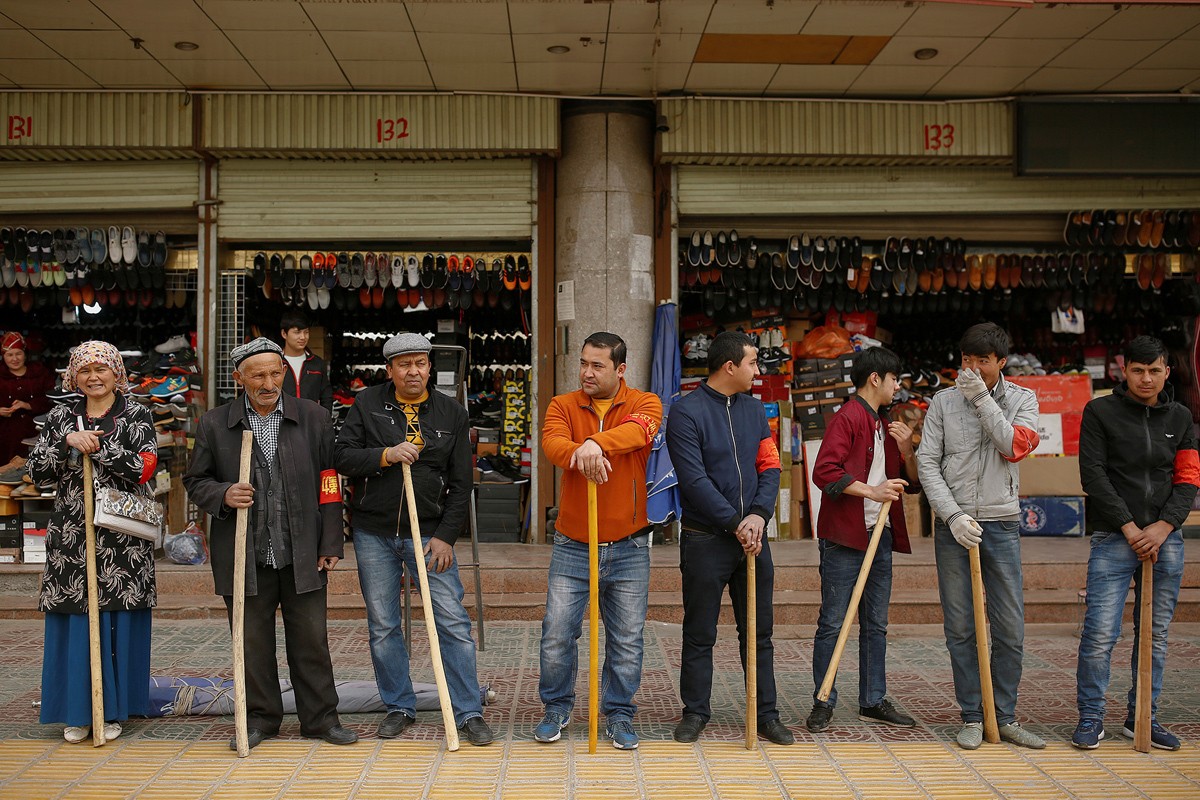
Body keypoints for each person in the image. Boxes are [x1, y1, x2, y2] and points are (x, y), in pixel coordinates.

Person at [183, 337, 356, 750]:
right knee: (252, 641)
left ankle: (320, 719)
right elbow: (195, 481)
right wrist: (223, 494)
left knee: (311, 639)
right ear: (238, 377)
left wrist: (331, 539)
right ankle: (261, 719)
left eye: (275, 373)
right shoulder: (215, 424)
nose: (268, 382)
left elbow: (329, 483)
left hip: (303, 551)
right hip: (244, 553)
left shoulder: (313, 417)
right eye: (257, 374)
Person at [333, 332, 494, 746]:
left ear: (429, 367)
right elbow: (342, 457)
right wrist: (385, 455)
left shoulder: (451, 413)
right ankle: (399, 705)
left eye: (421, 363)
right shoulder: (367, 404)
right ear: (389, 370)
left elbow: (461, 485)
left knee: (452, 622)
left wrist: (446, 538)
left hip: (430, 535)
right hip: (375, 533)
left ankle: (468, 711)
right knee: (384, 625)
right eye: (404, 364)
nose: (414, 371)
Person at [917, 322, 1045, 751]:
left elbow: (1015, 446)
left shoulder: (1023, 399)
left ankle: (1003, 715)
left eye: (981, 361)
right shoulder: (941, 402)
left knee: (1009, 626)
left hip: (1002, 523)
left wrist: (981, 399)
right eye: (965, 360)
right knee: (961, 626)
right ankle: (973, 714)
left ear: (1001, 363)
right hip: (954, 527)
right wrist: (951, 515)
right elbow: (927, 464)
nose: (970, 368)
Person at [665, 330, 793, 745]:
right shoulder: (685, 412)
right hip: (706, 539)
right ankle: (695, 712)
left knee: (759, 633)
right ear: (729, 366)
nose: (758, 370)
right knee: (699, 631)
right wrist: (738, 523)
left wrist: (758, 515)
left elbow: (770, 466)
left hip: (754, 537)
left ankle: (766, 714)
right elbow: (693, 480)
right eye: (753, 363)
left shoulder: (755, 411)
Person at [27, 341, 157, 742]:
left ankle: (111, 710)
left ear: (117, 373)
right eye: (85, 370)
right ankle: (77, 712)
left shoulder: (137, 414)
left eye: (102, 368)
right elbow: (36, 472)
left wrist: (98, 446)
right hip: (72, 537)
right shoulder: (60, 417)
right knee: (76, 618)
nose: (94, 376)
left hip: (123, 540)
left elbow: (143, 468)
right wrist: (66, 444)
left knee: (116, 618)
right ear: (74, 377)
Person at [537, 332, 662, 750]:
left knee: (627, 637)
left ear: (620, 369)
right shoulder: (563, 405)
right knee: (557, 633)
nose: (587, 373)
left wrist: (594, 442)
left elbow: (639, 434)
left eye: (598, 366)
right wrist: (578, 452)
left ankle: (620, 713)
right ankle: (555, 708)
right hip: (573, 542)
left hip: (629, 545)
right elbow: (553, 444)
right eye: (584, 364)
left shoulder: (646, 403)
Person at [1073, 335, 1199, 751]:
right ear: (1123, 371)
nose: (1147, 379)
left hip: (1167, 540)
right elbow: (1094, 477)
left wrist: (1164, 526)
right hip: (1114, 537)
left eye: (1155, 371)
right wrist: (1130, 528)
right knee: (1099, 635)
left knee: (1156, 635)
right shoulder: (1100, 412)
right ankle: (1091, 718)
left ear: (1168, 372)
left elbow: (1188, 479)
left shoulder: (1180, 418)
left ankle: (1143, 716)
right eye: (1138, 370)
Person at [807, 346, 920, 733]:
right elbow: (824, 472)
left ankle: (873, 699)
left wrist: (906, 451)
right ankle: (823, 699)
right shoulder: (848, 417)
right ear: (876, 379)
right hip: (845, 538)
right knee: (834, 623)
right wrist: (871, 492)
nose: (897, 387)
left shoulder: (886, 423)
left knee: (876, 623)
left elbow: (912, 484)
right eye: (894, 380)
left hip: (880, 535)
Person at [0, 331, 53, 464]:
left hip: (35, 431)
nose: (14, 359)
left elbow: (52, 398)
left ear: (25, 354)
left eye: (18, 353)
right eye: (9, 355)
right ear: (3, 356)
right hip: (5, 435)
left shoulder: (40, 373)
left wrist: (28, 405)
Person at [279, 310, 332, 412]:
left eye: (306, 332)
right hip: (283, 423)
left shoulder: (317, 363)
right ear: (284, 334)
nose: (303, 337)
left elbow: (326, 396)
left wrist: (324, 422)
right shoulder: (276, 363)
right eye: (297, 332)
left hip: (311, 423)